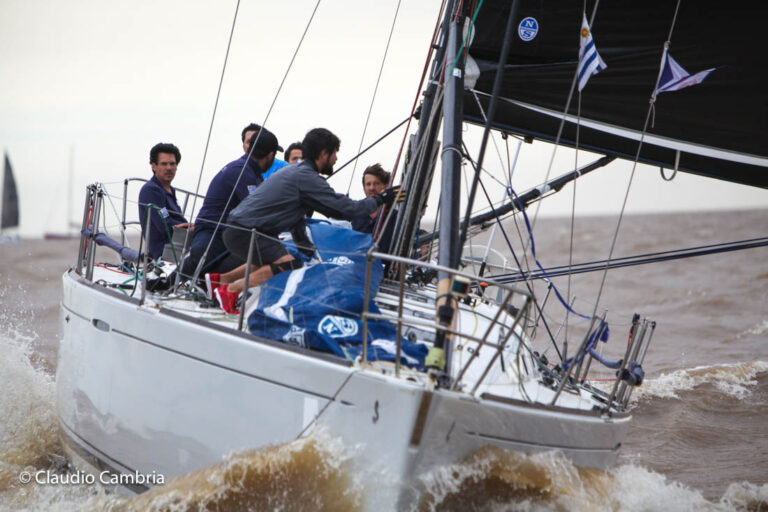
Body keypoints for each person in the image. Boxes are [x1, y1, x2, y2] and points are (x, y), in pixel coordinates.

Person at [210, 127, 400, 313]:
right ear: (324, 154)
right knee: (288, 263)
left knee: (275, 257)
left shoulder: (297, 172)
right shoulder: (307, 177)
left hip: (237, 228)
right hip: (245, 231)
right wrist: (380, 199)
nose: (336, 159)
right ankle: (231, 290)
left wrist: (305, 247)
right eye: (335, 153)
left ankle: (219, 280)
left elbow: (295, 216)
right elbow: (344, 208)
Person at [183, 126, 282, 278]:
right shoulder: (242, 171)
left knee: (261, 255)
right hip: (213, 231)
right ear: (270, 155)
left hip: (226, 232)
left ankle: (214, 284)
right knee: (199, 264)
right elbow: (257, 210)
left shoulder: (250, 172)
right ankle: (163, 284)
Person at [138, 143, 189, 260]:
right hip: (164, 253)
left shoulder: (170, 190)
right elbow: (164, 224)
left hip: (180, 247)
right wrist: (187, 227)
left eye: (172, 164)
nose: (169, 168)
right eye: (164, 164)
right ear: (154, 166)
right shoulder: (152, 190)